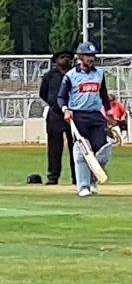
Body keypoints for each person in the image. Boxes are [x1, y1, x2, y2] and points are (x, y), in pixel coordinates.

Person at [56, 42, 113, 198]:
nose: (91, 59)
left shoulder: (99, 74)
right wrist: (65, 110)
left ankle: (93, 180)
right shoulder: (70, 76)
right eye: (88, 56)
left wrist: (109, 113)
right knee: (82, 150)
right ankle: (83, 186)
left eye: (93, 56)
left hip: (96, 115)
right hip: (78, 116)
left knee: (103, 150)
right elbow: (61, 97)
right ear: (80, 57)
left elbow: (103, 95)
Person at [39, 49, 76, 186]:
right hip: (55, 114)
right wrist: (54, 104)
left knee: (76, 147)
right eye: (62, 57)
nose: (65, 59)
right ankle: (53, 176)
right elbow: (43, 93)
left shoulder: (76, 74)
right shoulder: (49, 76)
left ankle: (77, 177)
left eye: (68, 57)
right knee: (54, 147)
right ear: (56, 61)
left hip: (73, 114)